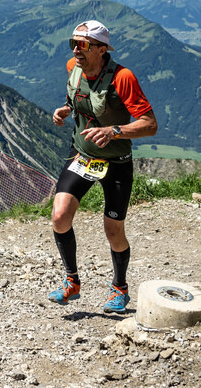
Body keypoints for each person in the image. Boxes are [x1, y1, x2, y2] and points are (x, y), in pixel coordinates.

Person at [48, 20, 158, 314]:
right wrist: (66, 110)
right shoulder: (73, 66)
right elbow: (76, 99)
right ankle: (72, 281)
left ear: (101, 49)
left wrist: (114, 131)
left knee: (113, 231)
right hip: (82, 154)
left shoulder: (123, 78)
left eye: (83, 45)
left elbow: (150, 125)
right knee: (59, 216)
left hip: (116, 162)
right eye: (73, 43)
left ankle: (120, 288)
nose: (76, 50)